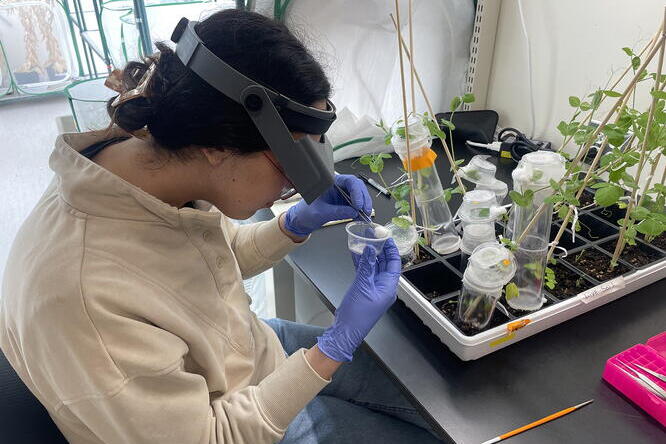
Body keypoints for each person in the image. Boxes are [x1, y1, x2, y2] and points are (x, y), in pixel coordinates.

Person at [0, 9, 440, 444]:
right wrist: (333, 349)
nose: (299, 185)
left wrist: (292, 224)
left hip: (243, 349)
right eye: (290, 164)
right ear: (218, 145)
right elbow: (213, 437)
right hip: (226, 421)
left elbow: (212, 258)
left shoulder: (147, 167)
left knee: (432, 398)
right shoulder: (84, 293)